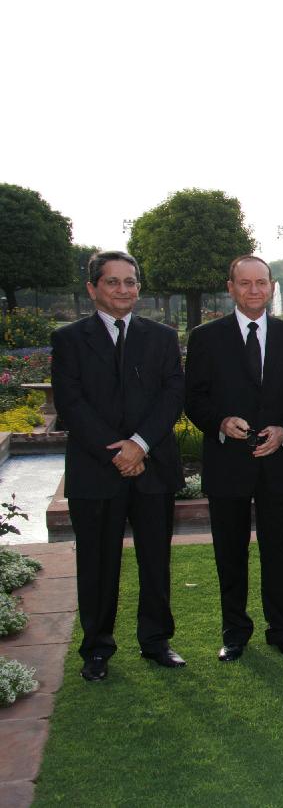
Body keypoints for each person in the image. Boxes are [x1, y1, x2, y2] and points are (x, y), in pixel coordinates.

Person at [51, 250, 185, 681]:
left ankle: (156, 641)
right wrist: (119, 453)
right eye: (113, 282)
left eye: (130, 282)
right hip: (96, 471)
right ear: (93, 288)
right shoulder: (69, 340)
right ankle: (97, 649)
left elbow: (172, 396)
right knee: (97, 565)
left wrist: (140, 445)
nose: (123, 290)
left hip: (152, 467)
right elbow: (71, 404)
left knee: (155, 562)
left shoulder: (162, 337)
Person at [185, 255, 283, 661]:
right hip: (227, 465)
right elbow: (193, 398)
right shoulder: (206, 337)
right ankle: (235, 633)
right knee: (230, 555)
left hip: (276, 465)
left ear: (272, 287)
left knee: (279, 554)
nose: (254, 290)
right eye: (245, 283)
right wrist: (220, 422)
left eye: (261, 283)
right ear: (231, 288)